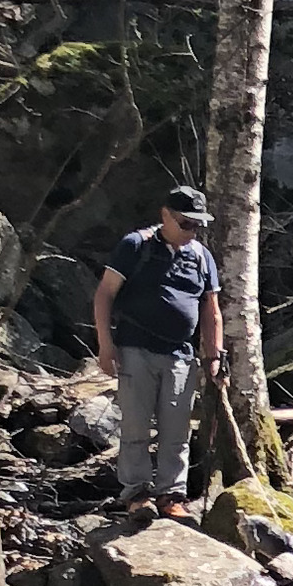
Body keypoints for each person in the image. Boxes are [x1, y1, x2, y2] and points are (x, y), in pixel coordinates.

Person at [94, 185, 223, 518]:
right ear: (165, 215)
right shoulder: (136, 246)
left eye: (198, 225)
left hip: (181, 355)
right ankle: (137, 494)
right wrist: (105, 345)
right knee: (135, 426)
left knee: (176, 431)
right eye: (186, 223)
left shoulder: (201, 257)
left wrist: (214, 356)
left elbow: (211, 310)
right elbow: (105, 294)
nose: (192, 231)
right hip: (135, 348)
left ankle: (171, 496)